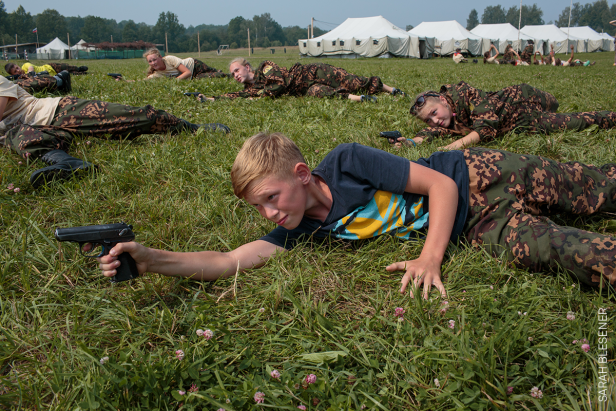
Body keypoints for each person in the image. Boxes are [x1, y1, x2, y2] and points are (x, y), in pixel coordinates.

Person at [96, 132, 615, 297]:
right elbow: (227, 259)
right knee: (578, 253)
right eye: (259, 207)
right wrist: (150, 259)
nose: (270, 213)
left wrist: (429, 259)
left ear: (302, 174)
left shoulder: (347, 163)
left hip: (479, 173)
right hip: (480, 227)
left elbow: (437, 185)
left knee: (600, 189)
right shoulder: (301, 231)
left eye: (271, 197)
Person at [0, 75, 230, 188]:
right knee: (23, 137)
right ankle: (69, 164)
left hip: (55, 112)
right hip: (22, 129)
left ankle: (192, 128)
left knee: (136, 117)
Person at [383, 81, 616, 150]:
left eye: (433, 113)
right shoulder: (445, 118)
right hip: (520, 123)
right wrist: (411, 142)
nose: (434, 120)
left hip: (524, 102)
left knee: (576, 120)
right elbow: (432, 132)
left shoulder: (465, 94)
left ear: (443, 100)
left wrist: (450, 148)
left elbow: (485, 129)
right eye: (428, 119)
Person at [196, 58, 405, 102]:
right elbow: (236, 96)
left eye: (237, 70)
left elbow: (280, 83)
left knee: (351, 80)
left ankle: (389, 89)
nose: (235, 75)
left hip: (310, 73)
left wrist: (262, 96)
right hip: (304, 89)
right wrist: (212, 99)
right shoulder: (254, 87)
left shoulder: (264, 68)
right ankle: (361, 99)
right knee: (322, 94)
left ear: (247, 67)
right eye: (232, 74)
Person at [142, 48, 227, 80]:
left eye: (154, 60)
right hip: (193, 77)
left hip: (195, 66)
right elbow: (144, 81)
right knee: (209, 77)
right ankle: (218, 73)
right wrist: (129, 81)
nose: (153, 63)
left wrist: (175, 82)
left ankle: (227, 74)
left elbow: (187, 72)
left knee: (216, 73)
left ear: (160, 57)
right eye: (150, 61)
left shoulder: (169, 59)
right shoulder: (157, 74)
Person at [5, 62, 88, 77]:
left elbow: (31, 68)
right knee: (70, 74)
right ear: (12, 75)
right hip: (53, 75)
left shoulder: (25, 66)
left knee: (67, 67)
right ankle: (82, 73)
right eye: (15, 71)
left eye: (17, 68)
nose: (18, 70)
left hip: (51, 67)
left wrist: (28, 75)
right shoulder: (20, 78)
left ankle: (79, 68)